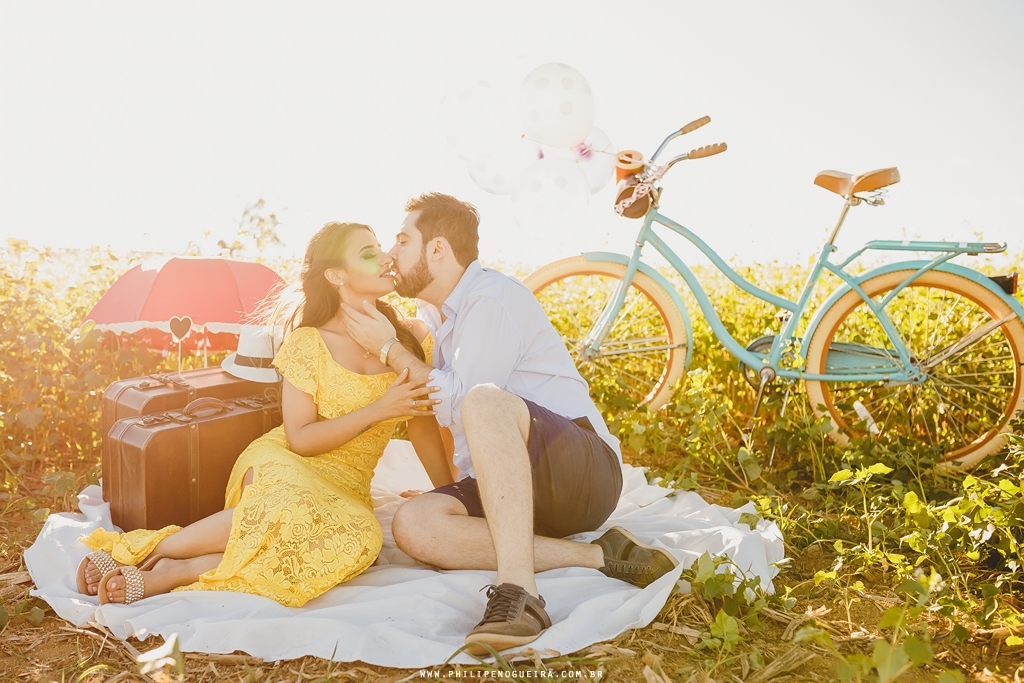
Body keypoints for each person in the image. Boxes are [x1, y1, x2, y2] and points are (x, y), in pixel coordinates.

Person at [342, 193, 679, 654]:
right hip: (513, 488)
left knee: (481, 399)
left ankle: (521, 595)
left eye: (402, 241)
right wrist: (447, 491)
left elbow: (464, 402)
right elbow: (451, 423)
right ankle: (600, 555)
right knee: (413, 524)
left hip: (581, 472)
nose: (390, 254)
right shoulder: (434, 315)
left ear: (437, 250)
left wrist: (389, 349)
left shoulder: (492, 298)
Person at [75, 222, 453, 607]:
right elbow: (300, 439)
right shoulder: (308, 342)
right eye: (369, 253)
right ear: (336, 275)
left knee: (360, 540)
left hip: (348, 483)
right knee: (287, 506)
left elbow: (424, 430)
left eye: (382, 248)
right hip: (287, 462)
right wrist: (379, 410)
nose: (388, 258)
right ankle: (140, 553)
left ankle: (182, 568)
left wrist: (449, 495)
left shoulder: (412, 339)